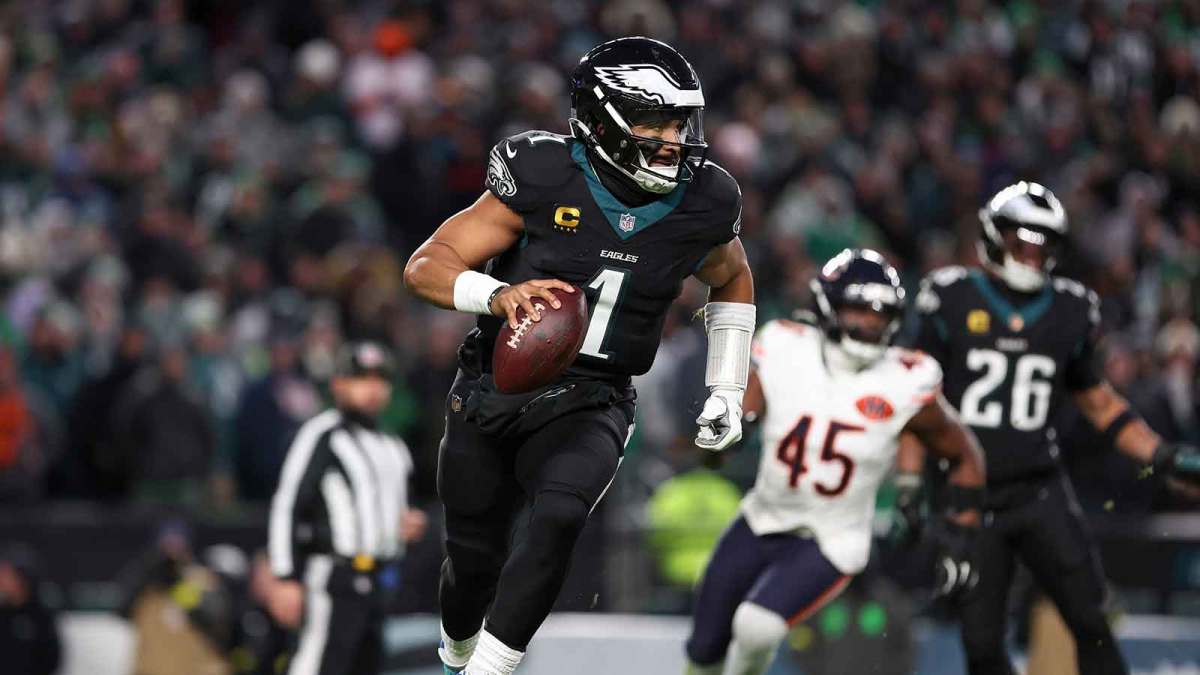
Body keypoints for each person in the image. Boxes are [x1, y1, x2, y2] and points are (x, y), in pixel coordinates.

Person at [403, 36, 755, 675]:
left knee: (561, 514)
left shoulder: (705, 200)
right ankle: (458, 654)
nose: (673, 138)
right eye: (654, 121)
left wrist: (726, 386)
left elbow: (731, 276)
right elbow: (426, 266)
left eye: (680, 121)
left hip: (595, 394)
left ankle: (489, 670)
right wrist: (498, 294)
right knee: (473, 561)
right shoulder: (542, 174)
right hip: (496, 385)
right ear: (602, 121)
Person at [903, 181, 1200, 675]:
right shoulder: (950, 299)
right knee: (980, 644)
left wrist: (1160, 455)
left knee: (1091, 620)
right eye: (1023, 241)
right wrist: (911, 484)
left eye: (1044, 244)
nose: (1033, 255)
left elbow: (1100, 404)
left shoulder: (1069, 309)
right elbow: (918, 407)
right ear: (994, 237)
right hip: (970, 495)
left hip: (1039, 489)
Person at [684, 249, 987, 675]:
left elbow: (964, 453)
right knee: (703, 646)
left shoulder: (905, 379)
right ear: (828, 304)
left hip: (834, 538)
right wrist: (729, 430)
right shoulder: (785, 346)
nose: (870, 322)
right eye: (858, 308)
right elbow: (744, 413)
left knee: (757, 627)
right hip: (762, 518)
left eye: (881, 312)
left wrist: (962, 529)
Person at [266, 341, 427, 675]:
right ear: (339, 384)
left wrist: (410, 524)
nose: (372, 388)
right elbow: (288, 503)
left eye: (379, 379)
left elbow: (400, 507)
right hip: (333, 579)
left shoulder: (393, 445)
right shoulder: (321, 434)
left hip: (379, 579)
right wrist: (285, 576)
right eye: (361, 378)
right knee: (317, 665)